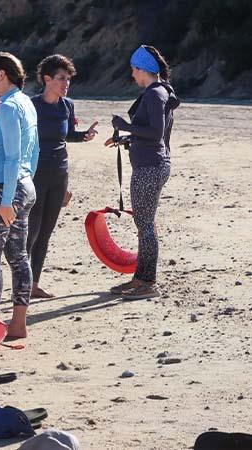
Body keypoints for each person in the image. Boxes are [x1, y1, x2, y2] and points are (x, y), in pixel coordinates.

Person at [104, 45, 178, 300]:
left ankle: (148, 282)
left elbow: (155, 133)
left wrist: (124, 125)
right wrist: (126, 137)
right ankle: (141, 278)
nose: (132, 76)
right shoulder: (162, 91)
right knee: (145, 224)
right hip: (154, 164)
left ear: (141, 69)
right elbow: (152, 133)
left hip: (149, 167)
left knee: (145, 226)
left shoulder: (154, 94)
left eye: (133, 70)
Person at [27, 55, 99, 299]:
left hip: (59, 174)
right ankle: (21, 282)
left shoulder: (67, 105)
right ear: (47, 79)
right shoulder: (31, 105)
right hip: (35, 174)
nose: (66, 83)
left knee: (46, 232)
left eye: (68, 79)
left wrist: (84, 135)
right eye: (61, 78)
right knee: (32, 231)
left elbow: (67, 135)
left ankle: (34, 284)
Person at [0, 52, 39, 339]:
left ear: (1, 74)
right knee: (18, 257)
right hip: (24, 186)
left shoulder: (7, 107)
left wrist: (5, 202)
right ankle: (18, 324)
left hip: (4, 189)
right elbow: (34, 151)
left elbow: (14, 156)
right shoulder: (26, 102)